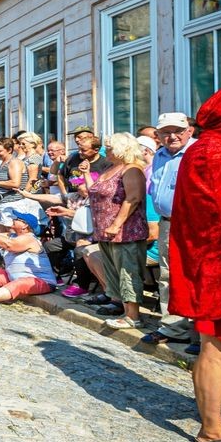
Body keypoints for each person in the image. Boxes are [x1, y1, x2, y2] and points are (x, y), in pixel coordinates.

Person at [167, 87, 221, 442]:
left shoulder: (199, 150)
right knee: (215, 346)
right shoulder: (216, 152)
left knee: (215, 346)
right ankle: (211, 428)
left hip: (209, 261)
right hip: (217, 264)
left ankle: (211, 423)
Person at [87, 133, 149, 329]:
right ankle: (122, 309)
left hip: (125, 232)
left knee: (127, 272)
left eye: (110, 147)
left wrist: (116, 225)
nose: (107, 151)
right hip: (105, 231)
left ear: (122, 149)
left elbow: (133, 198)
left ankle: (133, 316)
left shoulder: (132, 169)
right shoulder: (112, 168)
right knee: (113, 272)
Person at [145, 112, 196, 348]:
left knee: (195, 276)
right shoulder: (159, 155)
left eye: (177, 130)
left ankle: (200, 332)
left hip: (194, 224)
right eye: (166, 132)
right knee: (168, 274)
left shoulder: (197, 152)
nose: (172, 136)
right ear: (158, 135)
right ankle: (173, 326)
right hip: (167, 222)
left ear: (189, 131)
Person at [0, 212, 57, 303]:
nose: (13, 219)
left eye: (17, 219)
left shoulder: (29, 238)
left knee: (19, 284)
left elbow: (9, 245)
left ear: (25, 225)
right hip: (15, 277)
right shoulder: (12, 236)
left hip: (40, 281)